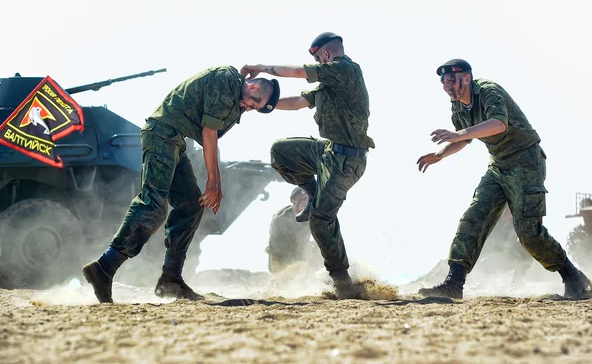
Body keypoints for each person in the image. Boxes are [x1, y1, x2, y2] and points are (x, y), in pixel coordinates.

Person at [82, 66, 280, 303]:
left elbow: (278, 102)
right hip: (162, 135)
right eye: (253, 101)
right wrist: (214, 181)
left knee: (190, 204)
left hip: (175, 141)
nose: (249, 107)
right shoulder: (227, 81)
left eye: (254, 108)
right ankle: (105, 267)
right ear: (254, 86)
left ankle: (171, 279)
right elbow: (209, 133)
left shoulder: (240, 95)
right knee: (153, 205)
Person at [416, 59, 592, 300]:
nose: (446, 86)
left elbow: (498, 124)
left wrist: (460, 133)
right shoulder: (458, 106)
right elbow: (464, 139)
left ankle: (572, 276)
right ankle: (454, 283)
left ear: (466, 78)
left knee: (528, 233)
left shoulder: (489, 92)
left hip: (526, 161)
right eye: (443, 82)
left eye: (451, 80)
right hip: (498, 165)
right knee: (473, 218)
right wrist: (440, 154)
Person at [241, 32, 375, 299]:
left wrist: (262, 68)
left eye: (316, 59)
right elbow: (299, 102)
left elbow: (298, 72)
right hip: (327, 151)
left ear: (324, 55)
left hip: (348, 159)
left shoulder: (345, 70)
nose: (316, 64)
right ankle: (311, 191)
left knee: (321, 219)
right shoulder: (329, 85)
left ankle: (342, 280)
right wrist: (261, 103)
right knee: (281, 151)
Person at [266, 187, 321, 273]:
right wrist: (277, 272)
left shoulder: (312, 216)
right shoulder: (280, 218)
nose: (303, 201)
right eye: (299, 198)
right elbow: (273, 248)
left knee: (317, 246)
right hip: (280, 259)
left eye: (306, 198)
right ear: (292, 200)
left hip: (300, 257)